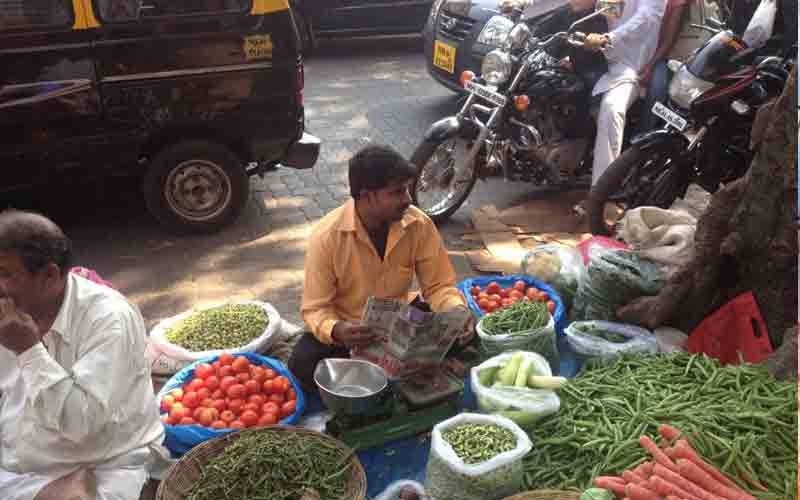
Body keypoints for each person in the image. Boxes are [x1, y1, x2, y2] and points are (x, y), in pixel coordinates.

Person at [0, 210, 166, 500]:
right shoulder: (11, 308)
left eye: (4, 274)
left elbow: (82, 426)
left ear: (49, 275)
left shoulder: (108, 318)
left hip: (101, 462)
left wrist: (28, 350)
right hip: (18, 463)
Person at [288, 145, 473, 391]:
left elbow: (438, 286)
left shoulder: (418, 224)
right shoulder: (327, 237)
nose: (408, 199)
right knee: (301, 363)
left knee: (467, 332)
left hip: (403, 323)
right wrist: (337, 330)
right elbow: (315, 308)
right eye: (397, 192)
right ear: (367, 196)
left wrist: (456, 310)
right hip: (351, 333)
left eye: (406, 189)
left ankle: (381, 374)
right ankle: (398, 373)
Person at [580, 0, 666, 195]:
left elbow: (647, 17)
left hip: (628, 66)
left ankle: (600, 192)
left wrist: (609, 38)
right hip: (595, 58)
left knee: (611, 110)